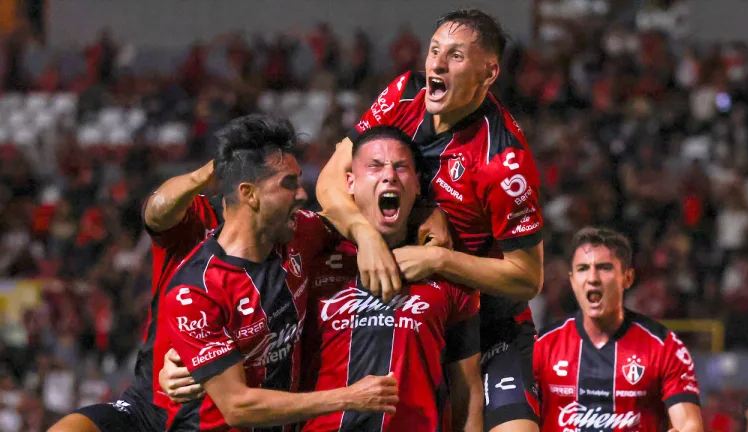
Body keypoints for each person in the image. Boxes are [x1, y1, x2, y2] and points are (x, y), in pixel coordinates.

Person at [55, 114, 399, 432]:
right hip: (153, 407)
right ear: (247, 193)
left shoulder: (298, 233)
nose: (303, 194)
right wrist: (350, 396)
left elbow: (356, 221)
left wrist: (373, 235)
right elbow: (155, 213)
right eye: (289, 183)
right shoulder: (193, 245)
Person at [315, 8, 544, 432]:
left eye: (455, 56)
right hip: (416, 314)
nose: (436, 64)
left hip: (491, 327)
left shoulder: (503, 162)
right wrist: (366, 235)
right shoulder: (404, 94)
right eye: (435, 50)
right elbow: (331, 180)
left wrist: (439, 260)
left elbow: (528, 278)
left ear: (489, 72)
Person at [299, 126, 484, 431]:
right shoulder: (312, 257)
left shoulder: (449, 273)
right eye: (374, 166)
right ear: (350, 183)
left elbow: (468, 394)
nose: (389, 176)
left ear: (418, 185)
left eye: (401, 167)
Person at [50, 160, 222, 431]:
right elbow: (155, 213)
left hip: (215, 408)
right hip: (148, 401)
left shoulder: (276, 257)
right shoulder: (193, 216)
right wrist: (203, 174)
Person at [533, 227, 704, 432]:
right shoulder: (542, 345)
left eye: (604, 268)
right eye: (583, 268)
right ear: (572, 280)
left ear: (627, 278)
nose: (592, 278)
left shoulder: (664, 347)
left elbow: (689, 425)